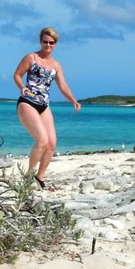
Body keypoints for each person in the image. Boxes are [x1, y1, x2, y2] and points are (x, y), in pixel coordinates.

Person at [13, 26, 81, 189]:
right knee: (42, 140)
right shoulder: (31, 57)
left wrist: (73, 100)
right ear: (40, 41)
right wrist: (21, 86)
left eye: (51, 42)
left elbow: (63, 86)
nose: (48, 45)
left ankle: (40, 176)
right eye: (45, 42)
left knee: (51, 144)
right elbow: (16, 74)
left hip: (44, 105)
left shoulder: (56, 65)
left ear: (55, 44)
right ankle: (28, 176)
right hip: (27, 102)